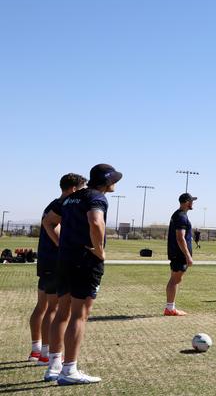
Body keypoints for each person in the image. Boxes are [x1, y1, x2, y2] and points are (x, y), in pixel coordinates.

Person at [45, 163, 122, 385]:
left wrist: (62, 245)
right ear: (107, 181)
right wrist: (99, 251)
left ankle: (54, 366)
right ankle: (69, 371)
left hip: (65, 261)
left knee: (62, 313)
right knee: (79, 315)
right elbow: (96, 221)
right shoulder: (97, 197)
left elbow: (48, 222)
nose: (115, 182)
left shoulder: (71, 198)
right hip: (85, 262)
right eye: (114, 179)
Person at [29, 173, 87, 365]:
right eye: (82, 188)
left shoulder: (52, 204)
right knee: (54, 309)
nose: (84, 192)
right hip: (55, 262)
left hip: (45, 262)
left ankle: (36, 350)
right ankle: (46, 353)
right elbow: (55, 230)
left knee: (42, 307)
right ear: (73, 189)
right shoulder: (65, 206)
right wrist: (64, 246)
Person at [165, 193, 196, 316]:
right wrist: (188, 256)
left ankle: (171, 307)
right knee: (175, 279)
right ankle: (170, 308)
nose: (193, 203)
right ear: (187, 202)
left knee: (176, 279)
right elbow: (180, 238)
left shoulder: (179, 215)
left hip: (176, 253)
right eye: (191, 201)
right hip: (179, 254)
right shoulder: (181, 216)